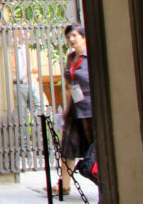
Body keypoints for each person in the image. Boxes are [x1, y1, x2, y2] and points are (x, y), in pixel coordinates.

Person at [53, 22, 92, 196]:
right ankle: (64, 184)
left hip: (91, 109)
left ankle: (102, 178)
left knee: (94, 147)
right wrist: (68, 107)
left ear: (83, 37)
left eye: (75, 35)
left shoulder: (90, 56)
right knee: (67, 146)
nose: (72, 39)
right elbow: (71, 84)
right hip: (75, 109)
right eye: (69, 37)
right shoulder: (71, 57)